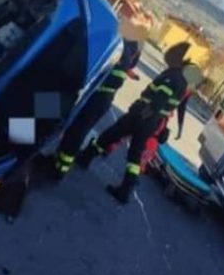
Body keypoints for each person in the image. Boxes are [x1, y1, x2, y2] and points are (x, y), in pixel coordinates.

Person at [76, 42, 201, 204]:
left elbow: (157, 101)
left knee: (111, 135)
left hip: (142, 117)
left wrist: (140, 114)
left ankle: (85, 158)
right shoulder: (182, 82)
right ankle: (125, 190)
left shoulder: (174, 77)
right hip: (151, 122)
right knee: (134, 155)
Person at [48, 21, 144, 179]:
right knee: (70, 129)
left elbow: (113, 77)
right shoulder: (125, 50)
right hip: (92, 96)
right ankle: (55, 163)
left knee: (72, 131)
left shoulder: (121, 49)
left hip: (91, 97)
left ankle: (57, 170)